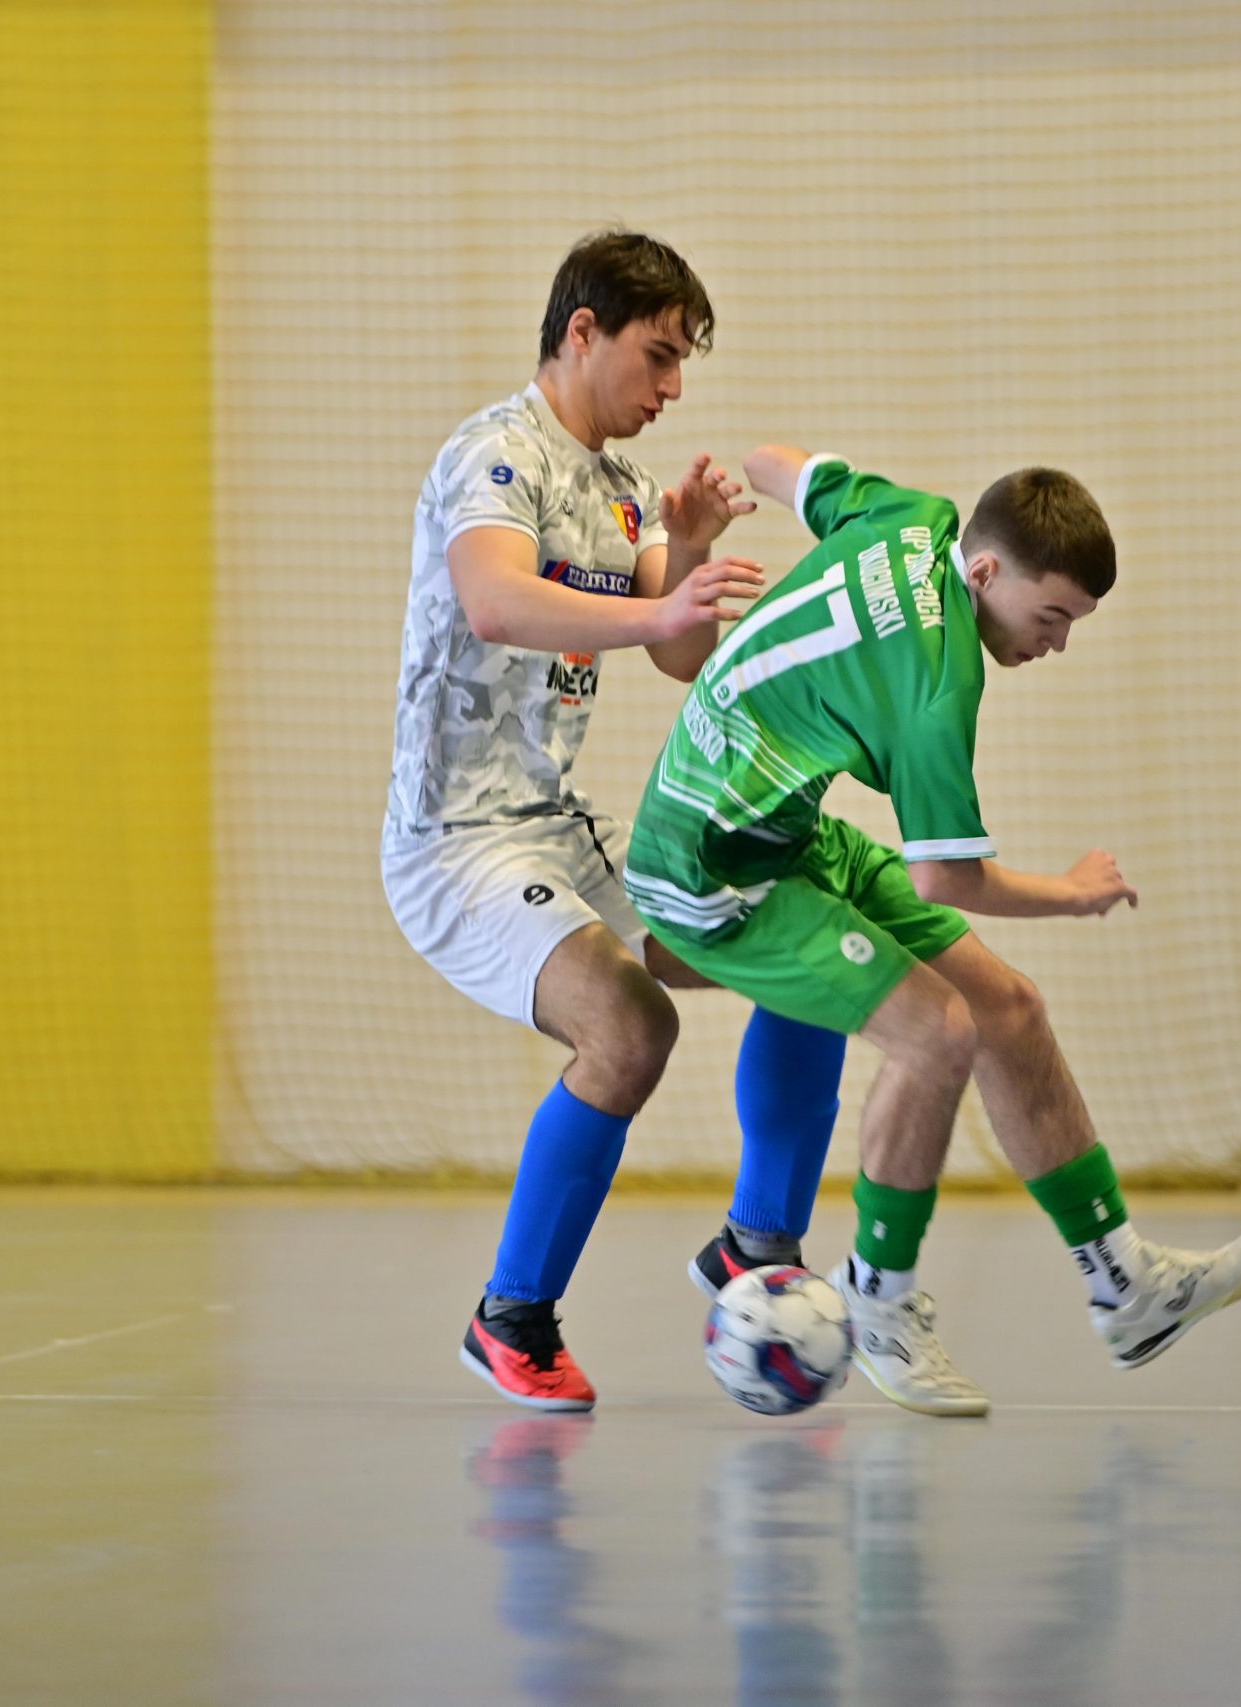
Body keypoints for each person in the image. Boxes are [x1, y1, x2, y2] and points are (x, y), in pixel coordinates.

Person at [629, 445, 1241, 1415]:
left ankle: (1126, 1285)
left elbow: (784, 466)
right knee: (936, 1032)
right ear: (984, 572)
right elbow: (945, 877)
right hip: (709, 869)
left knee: (1009, 1010)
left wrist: (733, 485)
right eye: (1051, 616)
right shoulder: (938, 680)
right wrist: (1072, 892)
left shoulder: (914, 517)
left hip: (782, 831)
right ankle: (878, 1302)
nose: (1056, 643)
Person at [382, 231, 851, 1412]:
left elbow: (677, 654)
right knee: (630, 1028)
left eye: (684, 361)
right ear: (581, 331)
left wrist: (684, 549)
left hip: (557, 828)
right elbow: (496, 603)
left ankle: (755, 1244)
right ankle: (510, 1317)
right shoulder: (497, 454)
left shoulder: (623, 489)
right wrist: (657, 609)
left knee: (807, 958)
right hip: (457, 847)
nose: (673, 386)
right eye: (659, 354)